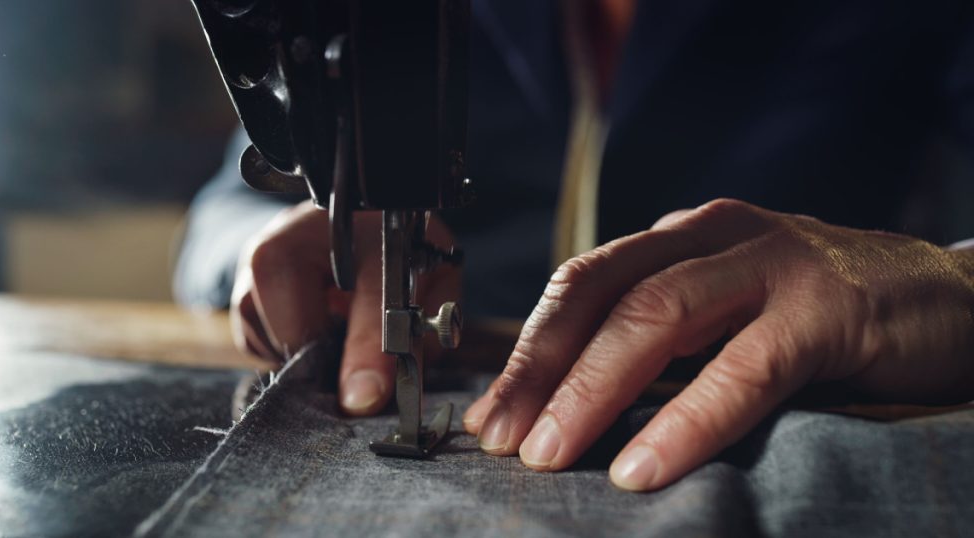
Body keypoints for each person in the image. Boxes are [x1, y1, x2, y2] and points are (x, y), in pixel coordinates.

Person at [176, 0, 974, 492]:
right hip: (472, 364)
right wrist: (281, 237)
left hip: (785, 393)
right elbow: (222, 212)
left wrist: (952, 279)